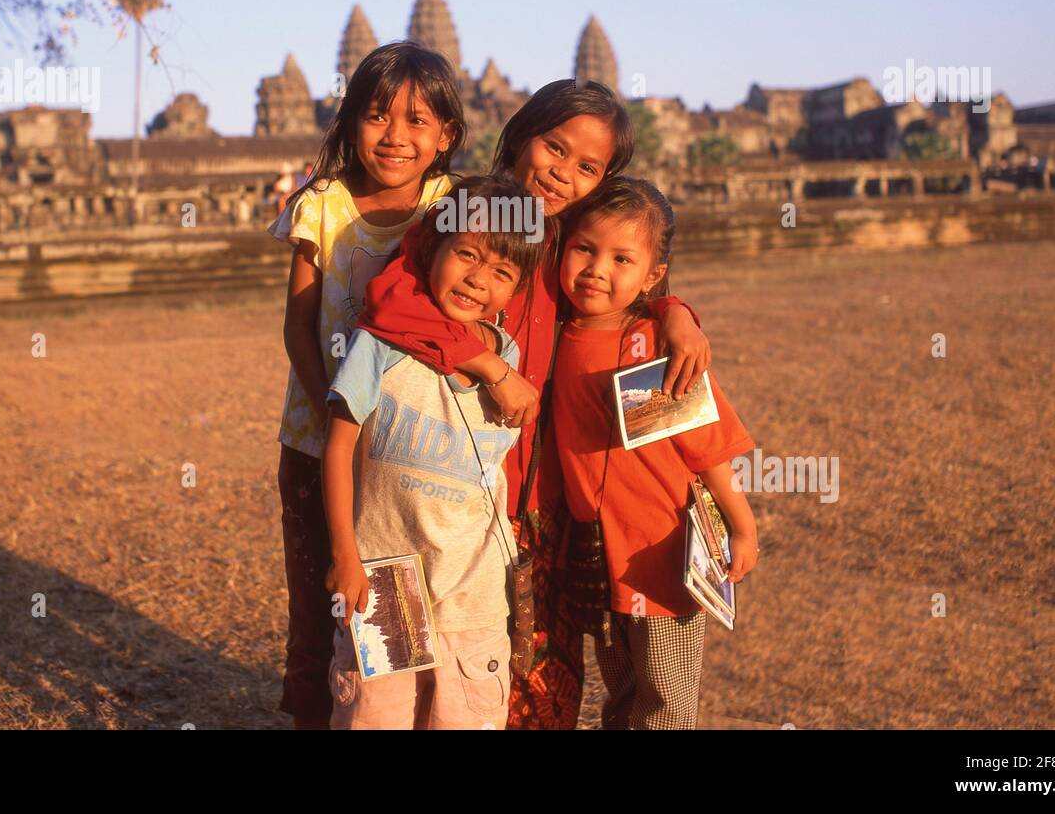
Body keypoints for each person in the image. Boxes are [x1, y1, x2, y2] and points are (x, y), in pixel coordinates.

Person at [357, 78, 713, 729]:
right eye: (554, 146)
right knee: (392, 673)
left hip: (530, 501)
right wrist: (489, 364)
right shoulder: (469, 213)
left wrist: (676, 311)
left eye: (588, 167)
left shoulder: (577, 244)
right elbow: (388, 302)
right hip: (418, 496)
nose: (562, 172)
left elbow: (634, 287)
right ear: (519, 134)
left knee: (527, 671)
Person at [269, 41, 465, 729]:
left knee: (410, 609)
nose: (397, 136)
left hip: (416, 449)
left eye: (418, 121)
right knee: (324, 601)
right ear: (350, 120)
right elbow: (299, 327)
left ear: (447, 136)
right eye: (379, 116)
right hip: (320, 439)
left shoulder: (453, 204)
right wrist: (335, 417)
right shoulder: (320, 204)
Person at [321, 175, 547, 729]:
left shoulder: (509, 360)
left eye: (501, 272)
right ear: (432, 249)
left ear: (516, 289)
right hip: (381, 586)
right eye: (466, 254)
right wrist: (346, 556)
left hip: (473, 594)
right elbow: (337, 448)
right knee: (374, 717)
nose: (477, 279)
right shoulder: (378, 344)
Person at [550, 177, 758, 729]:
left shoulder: (654, 345)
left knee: (665, 701)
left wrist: (743, 525)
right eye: (584, 249)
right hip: (598, 555)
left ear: (653, 275)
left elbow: (706, 445)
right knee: (619, 691)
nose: (597, 269)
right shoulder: (551, 331)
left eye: (622, 258)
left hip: (664, 555)